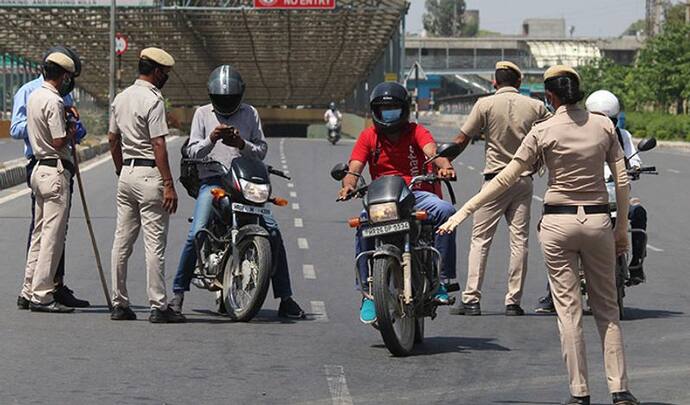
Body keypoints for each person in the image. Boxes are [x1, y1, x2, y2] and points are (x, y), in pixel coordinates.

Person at [438, 66, 639, 405]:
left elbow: (503, 179)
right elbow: (622, 181)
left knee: (569, 313)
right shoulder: (604, 125)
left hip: (558, 226)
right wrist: (621, 231)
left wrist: (462, 212)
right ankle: (619, 390)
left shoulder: (543, 131)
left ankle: (580, 394)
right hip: (597, 222)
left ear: (550, 96)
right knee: (607, 311)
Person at [169, 64, 305, 319]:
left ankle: (286, 297)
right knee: (196, 232)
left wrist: (240, 143)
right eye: (221, 98)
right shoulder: (202, 114)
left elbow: (261, 150)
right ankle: (178, 294)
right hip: (214, 184)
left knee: (273, 231)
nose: (226, 102)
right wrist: (212, 139)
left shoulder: (250, 114)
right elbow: (191, 151)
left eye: (230, 98)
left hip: (244, 185)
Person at [338, 82, 457, 324]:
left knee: (446, 211)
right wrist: (348, 184)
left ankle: (443, 280)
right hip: (382, 197)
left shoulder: (417, 131)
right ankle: (368, 294)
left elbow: (432, 152)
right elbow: (355, 166)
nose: (388, 113)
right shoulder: (368, 136)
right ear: (375, 112)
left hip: (416, 193)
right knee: (362, 226)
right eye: (383, 109)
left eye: (393, 108)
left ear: (404, 109)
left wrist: (445, 167)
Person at [450, 61, 550, 317]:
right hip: (523, 181)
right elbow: (553, 133)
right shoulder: (536, 106)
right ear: (519, 83)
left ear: (495, 83)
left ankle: (471, 299)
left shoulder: (484, 104)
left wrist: (444, 160)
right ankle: (513, 302)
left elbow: (462, 139)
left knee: (480, 240)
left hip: (494, 181)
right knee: (519, 241)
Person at [535, 90, 647, 313]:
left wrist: (635, 168)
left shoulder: (622, 136)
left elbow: (636, 160)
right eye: (599, 118)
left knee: (638, 212)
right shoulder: (578, 133)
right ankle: (553, 290)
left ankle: (636, 266)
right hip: (585, 198)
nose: (605, 124)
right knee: (556, 232)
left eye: (610, 120)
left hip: (616, 196)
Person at [108, 47, 184, 323]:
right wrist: (168, 184)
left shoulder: (121, 98)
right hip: (150, 175)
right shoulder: (154, 101)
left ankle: (119, 303)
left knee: (121, 241)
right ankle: (158, 306)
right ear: (156, 72)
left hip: (126, 173)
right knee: (154, 245)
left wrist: (120, 170)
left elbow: (112, 139)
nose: (165, 78)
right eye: (165, 73)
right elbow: (158, 143)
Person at [11, 46, 90, 309]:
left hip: (39, 170)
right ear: (64, 76)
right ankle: (43, 295)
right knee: (52, 238)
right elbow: (58, 140)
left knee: (38, 234)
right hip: (53, 169)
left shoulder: (34, 96)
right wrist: (69, 129)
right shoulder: (55, 100)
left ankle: (28, 288)